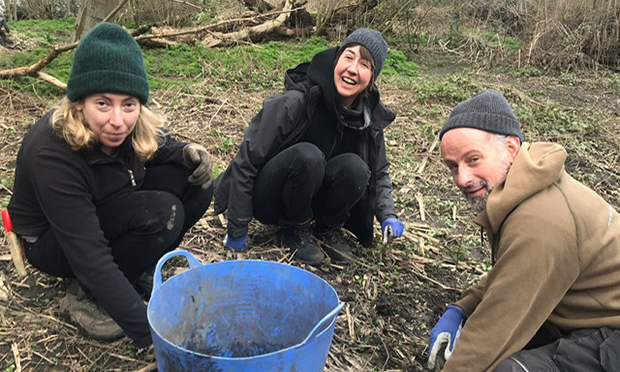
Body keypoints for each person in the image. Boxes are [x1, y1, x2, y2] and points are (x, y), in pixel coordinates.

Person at [7, 22, 213, 348]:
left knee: (195, 184)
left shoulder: (128, 124)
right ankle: (86, 294)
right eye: (103, 103)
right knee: (162, 212)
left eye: (128, 104)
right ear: (79, 103)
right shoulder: (51, 153)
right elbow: (90, 255)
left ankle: (132, 269)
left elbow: (160, 144)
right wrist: (157, 337)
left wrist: (187, 152)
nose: (117, 120)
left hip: (106, 199)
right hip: (53, 239)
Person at [427, 89, 620, 371]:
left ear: (511, 148)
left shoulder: (540, 221)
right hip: (587, 314)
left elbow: (493, 331)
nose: (462, 178)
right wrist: (462, 308)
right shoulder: (525, 184)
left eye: (473, 159)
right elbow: (513, 272)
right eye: (453, 166)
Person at [213, 28, 405, 265]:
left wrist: (388, 215)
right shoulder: (297, 101)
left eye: (365, 64)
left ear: (372, 79)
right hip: (270, 196)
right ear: (336, 59)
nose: (353, 69)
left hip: (311, 197)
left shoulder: (367, 119)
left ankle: (327, 230)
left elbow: (379, 173)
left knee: (356, 167)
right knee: (309, 155)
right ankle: (294, 230)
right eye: (348, 57)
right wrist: (237, 228)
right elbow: (246, 162)